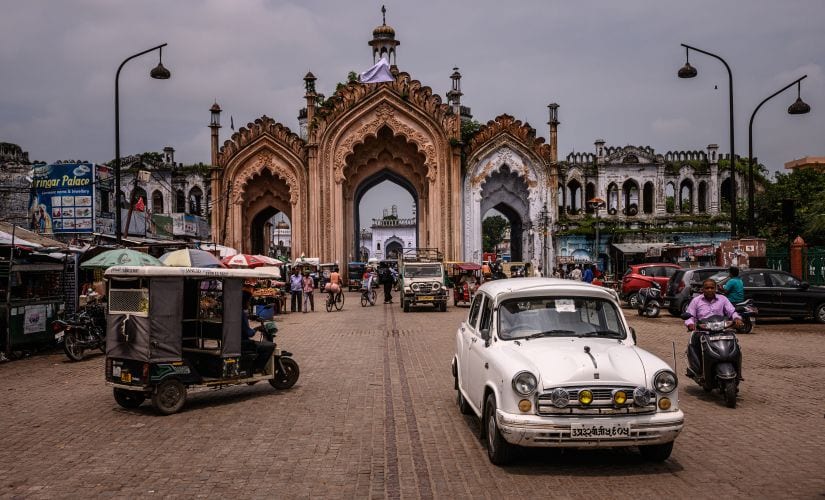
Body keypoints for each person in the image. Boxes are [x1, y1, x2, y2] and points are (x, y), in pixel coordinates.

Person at [684, 279, 743, 375]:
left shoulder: (723, 299)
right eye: (707, 288)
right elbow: (689, 315)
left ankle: (737, 370)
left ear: (716, 289)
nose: (710, 290)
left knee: (735, 343)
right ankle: (698, 369)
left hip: (721, 330)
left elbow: (732, 311)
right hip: (703, 331)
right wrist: (690, 324)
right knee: (695, 343)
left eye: (712, 287)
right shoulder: (696, 301)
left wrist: (736, 318)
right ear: (702, 289)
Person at [241, 291, 275, 372]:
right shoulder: (241, 315)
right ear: (245, 301)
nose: (249, 304)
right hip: (244, 343)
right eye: (249, 301)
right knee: (270, 346)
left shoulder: (238, 312)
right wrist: (257, 328)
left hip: (238, 342)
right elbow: (249, 333)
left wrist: (249, 317)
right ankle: (256, 369)